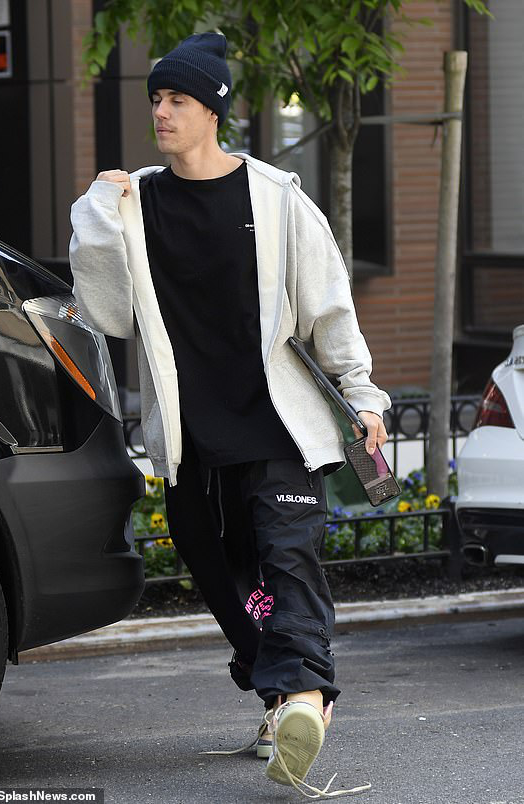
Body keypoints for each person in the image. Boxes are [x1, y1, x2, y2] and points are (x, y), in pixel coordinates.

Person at [69, 31, 390, 798]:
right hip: (190, 437)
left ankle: (305, 696)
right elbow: (107, 313)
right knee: (226, 576)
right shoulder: (137, 202)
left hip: (278, 425)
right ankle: (278, 695)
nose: (161, 112)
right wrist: (98, 214)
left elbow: (329, 309)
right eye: (156, 98)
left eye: (177, 99)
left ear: (213, 111)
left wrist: (364, 396)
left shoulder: (276, 199)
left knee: (288, 558)